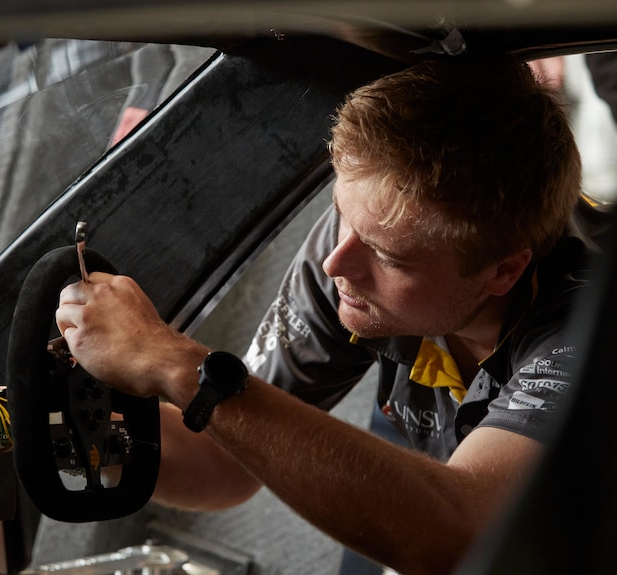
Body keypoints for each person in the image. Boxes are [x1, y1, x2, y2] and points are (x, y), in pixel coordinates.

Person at [55, 55, 588, 574]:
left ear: (503, 272)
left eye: (389, 256)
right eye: (340, 215)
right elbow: (224, 458)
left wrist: (175, 364)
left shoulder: (587, 332)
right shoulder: (350, 260)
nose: (338, 261)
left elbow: (462, 535)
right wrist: (71, 423)